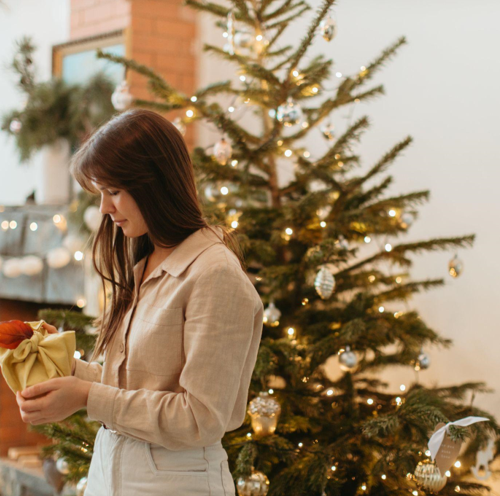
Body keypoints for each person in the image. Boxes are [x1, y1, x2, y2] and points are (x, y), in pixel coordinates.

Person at [15, 109, 264, 496]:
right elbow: (136, 385)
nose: (104, 209)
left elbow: (201, 417)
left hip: (176, 483)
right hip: (109, 472)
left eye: (114, 192)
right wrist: (69, 368)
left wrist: (86, 398)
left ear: (156, 184)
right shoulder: (143, 260)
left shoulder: (214, 275)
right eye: (100, 193)